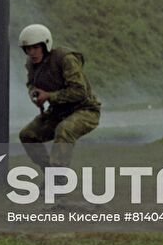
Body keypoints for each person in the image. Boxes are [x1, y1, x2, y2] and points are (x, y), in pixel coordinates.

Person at [18, 23, 101, 183]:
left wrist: (49, 96)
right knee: (28, 135)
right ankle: (55, 177)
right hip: (58, 112)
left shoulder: (65, 59)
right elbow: (31, 83)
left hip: (85, 110)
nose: (32, 52)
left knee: (64, 130)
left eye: (35, 47)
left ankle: (56, 179)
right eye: (28, 49)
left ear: (45, 45)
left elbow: (80, 91)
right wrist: (34, 93)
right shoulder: (31, 64)